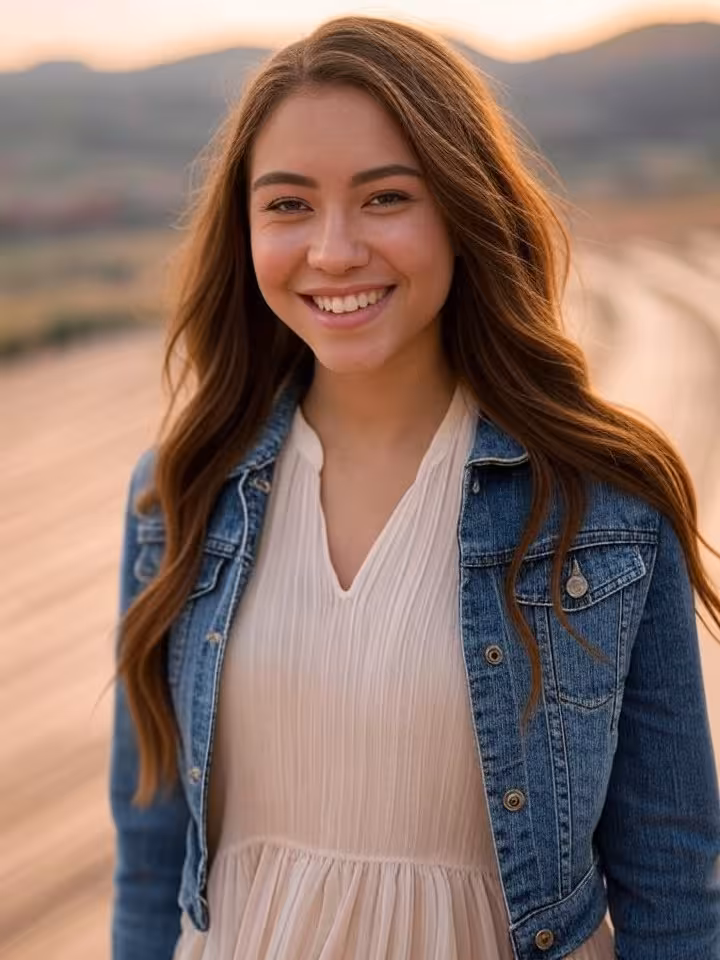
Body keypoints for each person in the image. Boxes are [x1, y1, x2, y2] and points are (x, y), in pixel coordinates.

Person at [109, 14, 720, 960]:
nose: (336, 250)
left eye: (386, 197)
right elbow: (152, 863)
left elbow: (674, 878)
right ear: (246, 229)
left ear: (464, 208)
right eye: (288, 205)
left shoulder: (602, 507)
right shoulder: (181, 494)